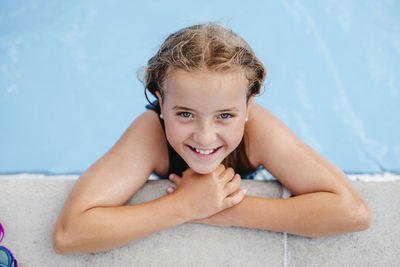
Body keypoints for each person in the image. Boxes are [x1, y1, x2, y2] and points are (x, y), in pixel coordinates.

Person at [52, 22, 371, 255]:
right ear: (161, 103)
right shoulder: (151, 133)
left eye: (225, 116)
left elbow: (351, 212)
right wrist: (182, 205)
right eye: (185, 114)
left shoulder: (256, 131)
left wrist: (228, 210)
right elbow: (70, 233)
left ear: (249, 105)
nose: (205, 137)